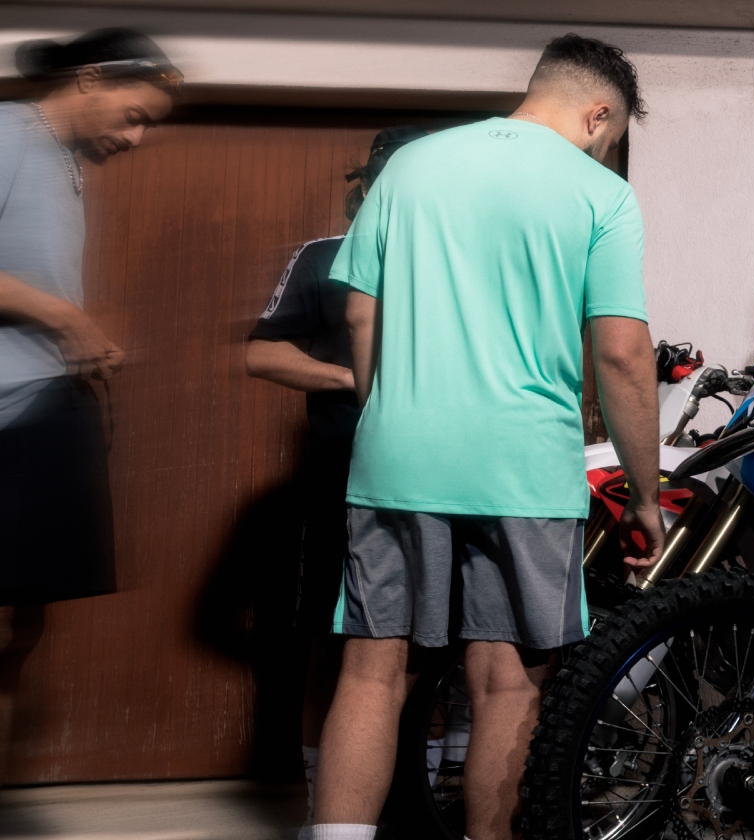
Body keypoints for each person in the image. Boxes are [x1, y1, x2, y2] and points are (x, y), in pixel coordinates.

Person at [306, 34, 660, 840]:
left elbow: (360, 314)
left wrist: (392, 417)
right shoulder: (601, 194)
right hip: (525, 469)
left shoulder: (411, 166)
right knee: (508, 682)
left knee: (372, 671)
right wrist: (645, 497)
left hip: (398, 457)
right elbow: (621, 353)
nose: (603, 151)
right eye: (609, 137)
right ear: (598, 114)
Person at [0, 27, 179, 781]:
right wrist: (66, 319)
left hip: (44, 407)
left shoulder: (63, 160)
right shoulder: (10, 132)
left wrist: (77, 345)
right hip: (8, 416)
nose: (136, 139)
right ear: (90, 79)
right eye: (133, 116)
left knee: (21, 627)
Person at [244, 125, 425, 815]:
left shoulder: (454, 262)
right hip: (341, 481)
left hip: (439, 479)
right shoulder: (324, 256)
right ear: (368, 187)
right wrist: (354, 380)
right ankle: (327, 803)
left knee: (444, 641)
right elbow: (262, 354)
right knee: (336, 637)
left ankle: (425, 795)